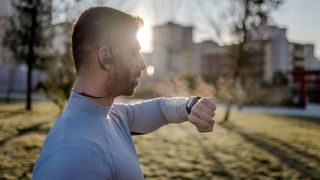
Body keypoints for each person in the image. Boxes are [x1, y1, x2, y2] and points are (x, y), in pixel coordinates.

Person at [32, 6, 216, 180]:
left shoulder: (110, 115)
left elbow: (161, 109)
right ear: (106, 58)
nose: (143, 65)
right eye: (134, 53)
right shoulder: (74, 156)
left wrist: (192, 106)